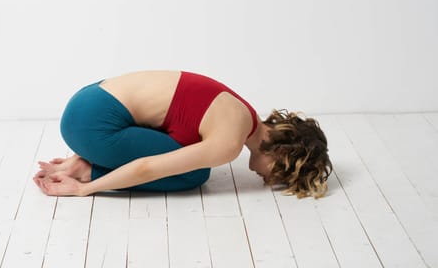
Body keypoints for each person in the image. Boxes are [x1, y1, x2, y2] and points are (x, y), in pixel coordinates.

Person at [33, 70, 333, 199]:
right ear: (281, 153)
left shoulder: (244, 111)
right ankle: (87, 168)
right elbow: (146, 167)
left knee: (184, 150)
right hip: (90, 125)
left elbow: (154, 116)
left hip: (87, 101)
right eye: (282, 175)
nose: (273, 181)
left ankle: (82, 157)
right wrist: (86, 189)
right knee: (195, 174)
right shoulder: (229, 143)